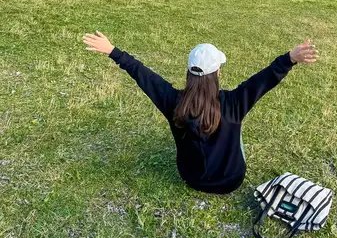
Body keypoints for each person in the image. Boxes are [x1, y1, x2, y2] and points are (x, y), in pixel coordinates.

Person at [82, 32, 318, 194]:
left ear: (189, 73)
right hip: (231, 181)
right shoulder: (233, 103)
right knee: (237, 132)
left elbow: (142, 73)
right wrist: (290, 58)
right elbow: (264, 80)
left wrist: (112, 50)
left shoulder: (173, 102)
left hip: (190, 178)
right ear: (217, 74)